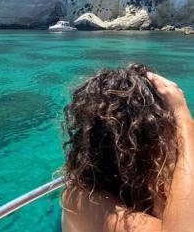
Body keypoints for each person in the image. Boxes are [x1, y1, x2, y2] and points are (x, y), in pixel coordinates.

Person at [61, 63, 194, 232]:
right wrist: (183, 115)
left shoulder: (145, 184)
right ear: (148, 143)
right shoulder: (85, 201)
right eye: (168, 127)